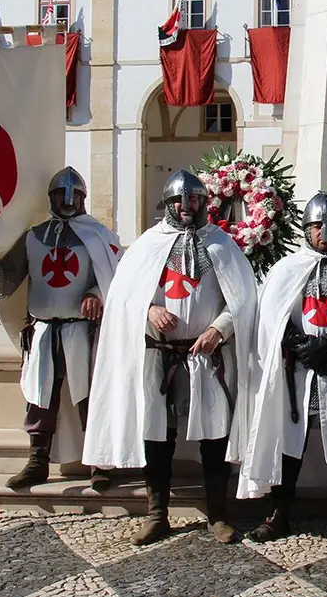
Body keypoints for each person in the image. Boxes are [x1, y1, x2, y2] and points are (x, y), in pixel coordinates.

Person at [82, 169, 258, 545]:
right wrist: (149, 310)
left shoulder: (221, 244)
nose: (186, 206)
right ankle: (157, 514)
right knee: (157, 437)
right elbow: (124, 296)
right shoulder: (149, 245)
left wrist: (218, 330)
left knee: (214, 437)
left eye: (192, 199)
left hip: (204, 357)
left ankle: (218, 515)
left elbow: (242, 300)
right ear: (168, 203)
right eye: (179, 200)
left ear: (204, 203)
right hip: (158, 358)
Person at [238, 193, 327, 546]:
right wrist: (303, 347)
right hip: (297, 374)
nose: (325, 232)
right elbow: (271, 318)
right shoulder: (287, 270)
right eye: (317, 226)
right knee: (288, 444)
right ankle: (279, 514)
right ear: (306, 229)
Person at [0, 166, 122, 492]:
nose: (68, 199)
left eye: (73, 194)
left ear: (84, 198)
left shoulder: (99, 236)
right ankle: (37, 462)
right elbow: (5, 277)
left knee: (90, 397)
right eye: (60, 193)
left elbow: (118, 276)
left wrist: (97, 293)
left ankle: (100, 463)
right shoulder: (33, 237)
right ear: (51, 197)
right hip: (43, 331)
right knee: (40, 397)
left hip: (83, 332)